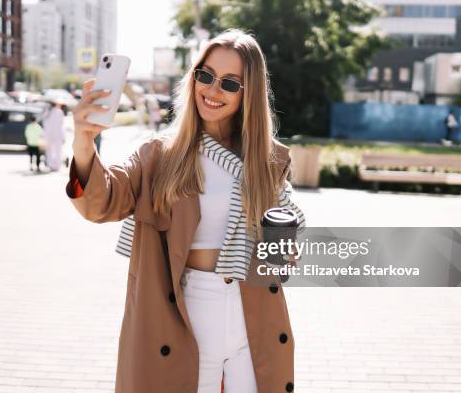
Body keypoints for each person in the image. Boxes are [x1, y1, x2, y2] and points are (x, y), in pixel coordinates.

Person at [66, 29, 305, 392]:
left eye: (230, 83)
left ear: (249, 93)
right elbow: (103, 200)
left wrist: (286, 251)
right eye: (205, 76)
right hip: (184, 312)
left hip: (253, 310)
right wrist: (83, 141)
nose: (212, 90)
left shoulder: (267, 161)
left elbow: (285, 225)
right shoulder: (159, 156)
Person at [43, 99, 66, 171]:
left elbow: (44, 124)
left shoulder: (47, 112)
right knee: (57, 150)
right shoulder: (59, 112)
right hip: (57, 134)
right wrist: (63, 136)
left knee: (49, 151)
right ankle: (57, 166)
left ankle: (50, 165)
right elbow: (62, 125)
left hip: (48, 134)